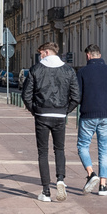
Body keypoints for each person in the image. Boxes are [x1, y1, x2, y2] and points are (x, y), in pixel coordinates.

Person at [21, 42, 80, 202]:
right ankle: (60, 179)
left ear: (47, 52)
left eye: (41, 53)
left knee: (43, 152)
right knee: (59, 149)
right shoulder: (68, 70)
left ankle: (46, 191)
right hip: (60, 115)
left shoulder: (36, 69)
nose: (40, 56)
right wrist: (65, 110)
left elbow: (26, 95)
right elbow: (76, 96)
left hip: (42, 114)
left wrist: (35, 110)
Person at [76, 44, 107, 196]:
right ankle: (103, 186)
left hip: (88, 115)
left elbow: (77, 94)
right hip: (106, 116)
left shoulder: (82, 72)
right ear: (99, 54)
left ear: (88, 55)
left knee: (83, 145)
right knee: (104, 150)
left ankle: (91, 173)